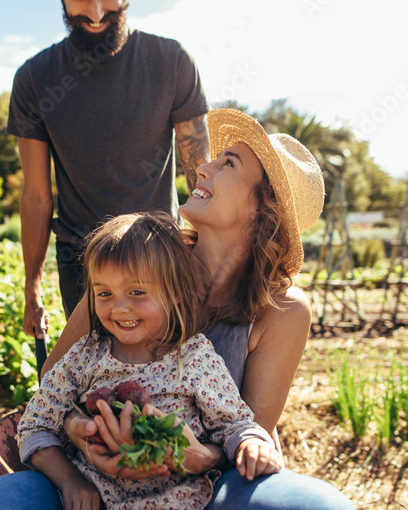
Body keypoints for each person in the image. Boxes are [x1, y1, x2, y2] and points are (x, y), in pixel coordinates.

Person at [0, 109, 356, 509]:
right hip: (87, 476)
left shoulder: (281, 308)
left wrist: (193, 457)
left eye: (227, 164)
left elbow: (248, 435)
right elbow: (56, 379)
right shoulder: (141, 254)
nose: (203, 168)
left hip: (199, 489)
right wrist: (83, 436)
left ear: (262, 207)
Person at [16, 212, 282, 510]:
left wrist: (251, 443)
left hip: (180, 502)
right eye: (104, 293)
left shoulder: (194, 358)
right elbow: (34, 425)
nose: (119, 308)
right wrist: (70, 482)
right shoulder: (85, 356)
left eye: (137, 292)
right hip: (96, 499)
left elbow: (232, 425)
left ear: (176, 293)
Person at [11, 0, 211, 340]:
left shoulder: (170, 61)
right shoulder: (35, 79)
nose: (96, 13)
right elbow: (36, 196)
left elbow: (200, 175)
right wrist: (31, 288)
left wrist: (212, 260)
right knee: (96, 392)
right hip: (82, 267)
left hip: (160, 258)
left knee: (166, 390)